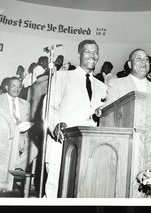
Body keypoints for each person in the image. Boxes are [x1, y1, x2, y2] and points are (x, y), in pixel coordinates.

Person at [44, 39, 107, 198]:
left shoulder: (103, 86)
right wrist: (55, 125)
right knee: (54, 193)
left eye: (95, 52)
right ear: (79, 54)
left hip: (88, 150)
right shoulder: (62, 76)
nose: (92, 55)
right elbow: (49, 107)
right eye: (87, 51)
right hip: (62, 145)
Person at [0, 77, 38, 172]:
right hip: (5, 136)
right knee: (14, 144)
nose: (16, 89)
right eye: (13, 86)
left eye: (19, 87)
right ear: (7, 87)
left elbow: (28, 122)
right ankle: (15, 174)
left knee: (35, 148)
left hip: (23, 137)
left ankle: (17, 168)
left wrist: (30, 124)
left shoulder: (26, 104)